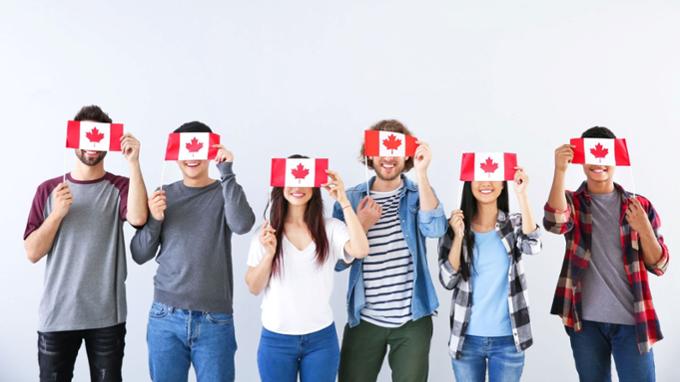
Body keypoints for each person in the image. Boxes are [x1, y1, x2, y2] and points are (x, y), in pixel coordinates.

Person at [23, 105, 148, 381]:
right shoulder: (48, 190)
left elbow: (139, 218)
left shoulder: (122, 186)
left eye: (100, 138)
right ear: (74, 140)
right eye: (87, 137)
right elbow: (32, 252)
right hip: (57, 315)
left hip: (106, 318)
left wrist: (134, 162)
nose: (92, 146)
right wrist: (56, 214)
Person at [130, 121, 255, 382]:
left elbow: (243, 224)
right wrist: (154, 219)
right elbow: (139, 254)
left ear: (211, 151)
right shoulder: (164, 194)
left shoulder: (225, 191)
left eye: (199, 149)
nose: (192, 157)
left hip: (215, 320)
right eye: (186, 150)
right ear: (176, 155)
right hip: (165, 317)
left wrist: (227, 172)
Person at [544, 126, 669, 382]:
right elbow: (555, 222)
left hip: (633, 321)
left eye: (604, 156)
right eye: (592, 155)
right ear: (581, 158)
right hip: (585, 322)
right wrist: (559, 171)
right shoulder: (573, 202)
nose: (598, 163)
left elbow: (660, 265)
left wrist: (644, 228)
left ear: (615, 159)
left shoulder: (639, 206)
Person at [334, 120, 447, 382]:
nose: (388, 157)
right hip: (364, 318)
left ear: (407, 155)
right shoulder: (349, 198)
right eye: (382, 149)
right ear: (369, 154)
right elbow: (339, 262)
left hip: (413, 319)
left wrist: (422, 173)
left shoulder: (418, 194)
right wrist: (361, 224)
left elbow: (436, 229)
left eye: (396, 149)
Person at [245, 156, 368, 382]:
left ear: (314, 187)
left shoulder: (330, 228)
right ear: (280, 187)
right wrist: (270, 254)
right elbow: (253, 286)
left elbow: (360, 250)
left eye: (304, 181)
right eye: (292, 180)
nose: (298, 187)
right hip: (276, 340)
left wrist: (344, 201)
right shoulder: (266, 234)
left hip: (321, 340)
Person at [439, 167, 541, 382]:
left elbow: (533, 246)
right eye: (479, 177)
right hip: (466, 339)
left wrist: (522, 194)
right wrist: (458, 236)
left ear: (502, 184)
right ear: (469, 183)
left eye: (492, 177)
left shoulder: (512, 224)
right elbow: (448, 280)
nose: (486, 183)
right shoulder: (455, 226)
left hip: (507, 340)